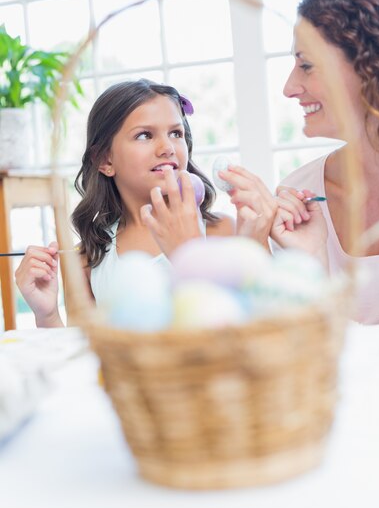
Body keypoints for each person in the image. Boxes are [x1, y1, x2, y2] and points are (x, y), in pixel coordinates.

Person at [15, 79, 326, 328]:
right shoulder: (88, 258)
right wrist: (47, 315)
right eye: (144, 136)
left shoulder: (223, 231)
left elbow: (259, 331)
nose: (167, 148)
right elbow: (82, 364)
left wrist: (255, 241)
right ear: (104, 160)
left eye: (176, 133)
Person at [277, 0, 379, 324]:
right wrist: (304, 263)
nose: (289, 87)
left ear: (376, 68)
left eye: (307, 65)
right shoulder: (300, 196)